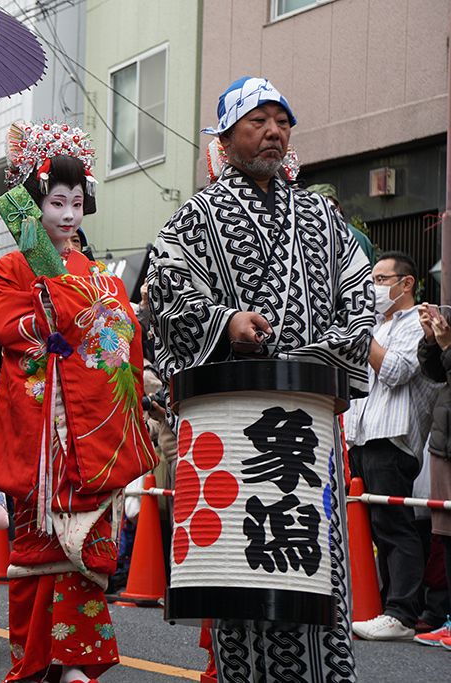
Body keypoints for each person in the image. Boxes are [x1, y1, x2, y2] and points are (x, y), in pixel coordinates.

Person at [147, 77, 374, 681]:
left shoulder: (323, 215)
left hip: (305, 419)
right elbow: (165, 296)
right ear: (227, 137)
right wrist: (225, 323)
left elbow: (360, 299)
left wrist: (316, 355)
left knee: (314, 565)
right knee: (242, 566)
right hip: (238, 426)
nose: (274, 131)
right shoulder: (196, 216)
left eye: (282, 120)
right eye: (258, 121)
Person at [0, 120, 157, 683]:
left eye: (77, 203)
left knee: (87, 547)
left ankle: (75, 660)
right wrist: (62, 307)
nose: (67, 214)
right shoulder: (12, 266)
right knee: (36, 546)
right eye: (55, 202)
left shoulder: (103, 277)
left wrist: (129, 385)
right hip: (39, 431)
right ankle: (34, 658)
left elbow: (121, 343)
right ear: (35, 206)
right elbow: (12, 331)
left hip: (91, 431)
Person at [347, 252, 438, 640]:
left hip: (393, 437)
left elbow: (397, 371)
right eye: (373, 279)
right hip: (361, 434)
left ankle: (402, 613)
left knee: (395, 527)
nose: (374, 287)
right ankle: (381, 605)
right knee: (368, 527)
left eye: (382, 280)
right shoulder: (376, 323)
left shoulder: (416, 322)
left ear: (407, 284)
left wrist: (359, 337)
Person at [416, 301, 451, 648]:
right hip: (444, 439)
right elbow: (436, 373)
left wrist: (447, 347)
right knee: (445, 533)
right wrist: (431, 340)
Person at [306, 183, 375, 264]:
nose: (321, 211)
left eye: (326, 205)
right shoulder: (306, 238)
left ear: (337, 208)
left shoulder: (355, 238)